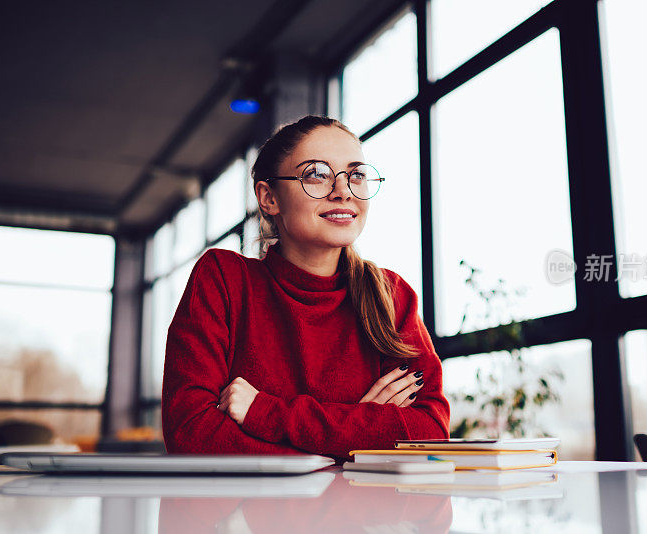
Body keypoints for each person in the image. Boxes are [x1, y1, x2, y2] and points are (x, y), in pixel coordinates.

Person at [162, 115, 450, 460]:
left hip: (364, 514)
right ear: (269, 198)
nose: (343, 191)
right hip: (246, 513)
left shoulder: (391, 295)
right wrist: (354, 436)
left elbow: (429, 431)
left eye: (356, 175)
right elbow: (191, 434)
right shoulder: (224, 280)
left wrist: (265, 414)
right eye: (317, 174)